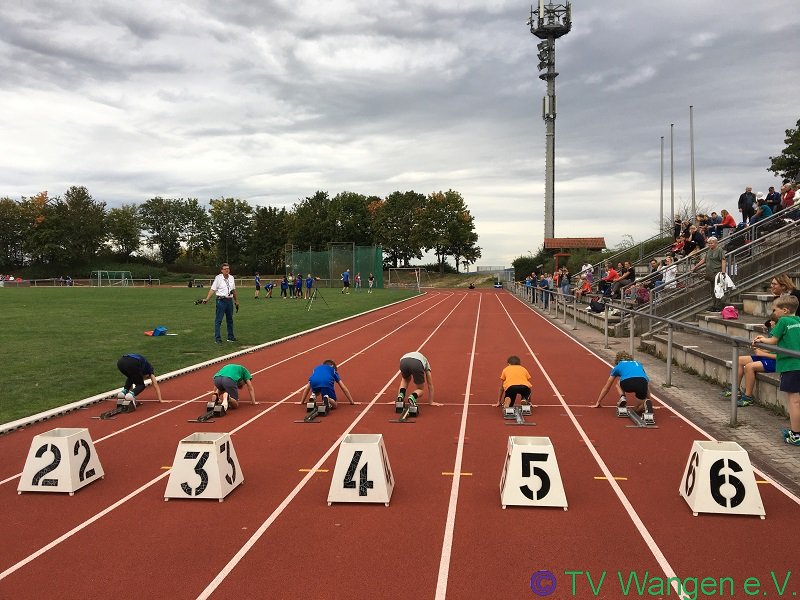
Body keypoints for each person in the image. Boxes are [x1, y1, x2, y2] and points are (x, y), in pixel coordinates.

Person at [752, 295, 800, 447]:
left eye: (775, 309)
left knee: (794, 401)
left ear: (784, 310)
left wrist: (760, 339)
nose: (773, 312)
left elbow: (773, 340)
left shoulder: (784, 321)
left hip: (790, 365)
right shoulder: (798, 320)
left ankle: (796, 434)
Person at [592, 351, 655, 424]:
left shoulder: (618, 366)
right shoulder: (638, 364)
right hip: (642, 383)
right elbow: (646, 384)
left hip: (627, 383)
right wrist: (649, 399)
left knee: (618, 383)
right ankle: (646, 403)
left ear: (618, 360)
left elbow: (607, 386)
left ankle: (622, 397)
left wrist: (598, 401)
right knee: (638, 409)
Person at [723, 321, 776, 407]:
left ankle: (748, 397)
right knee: (739, 360)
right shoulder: (773, 330)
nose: (770, 324)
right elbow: (772, 349)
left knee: (749, 367)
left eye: (772, 321)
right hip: (768, 356)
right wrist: (759, 347)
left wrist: (763, 353)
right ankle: (735, 389)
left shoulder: (784, 333)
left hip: (777, 361)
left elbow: (783, 354)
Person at [202, 263, 239, 343]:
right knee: (218, 320)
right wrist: (207, 299)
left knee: (230, 320)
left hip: (229, 300)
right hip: (221, 301)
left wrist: (236, 301)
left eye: (228, 269)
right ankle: (217, 338)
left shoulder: (231, 278)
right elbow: (213, 289)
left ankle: (230, 337)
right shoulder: (218, 278)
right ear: (221, 270)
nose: (227, 270)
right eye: (225, 269)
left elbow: (233, 290)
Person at [692, 236, 726, 311]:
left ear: (716, 243)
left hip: (717, 271)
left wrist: (723, 272)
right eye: (709, 243)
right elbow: (704, 259)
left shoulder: (719, 250)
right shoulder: (709, 250)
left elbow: (723, 261)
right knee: (712, 289)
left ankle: (718, 305)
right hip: (710, 272)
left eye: (711, 243)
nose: (710, 245)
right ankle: (714, 304)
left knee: (718, 289)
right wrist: (696, 267)